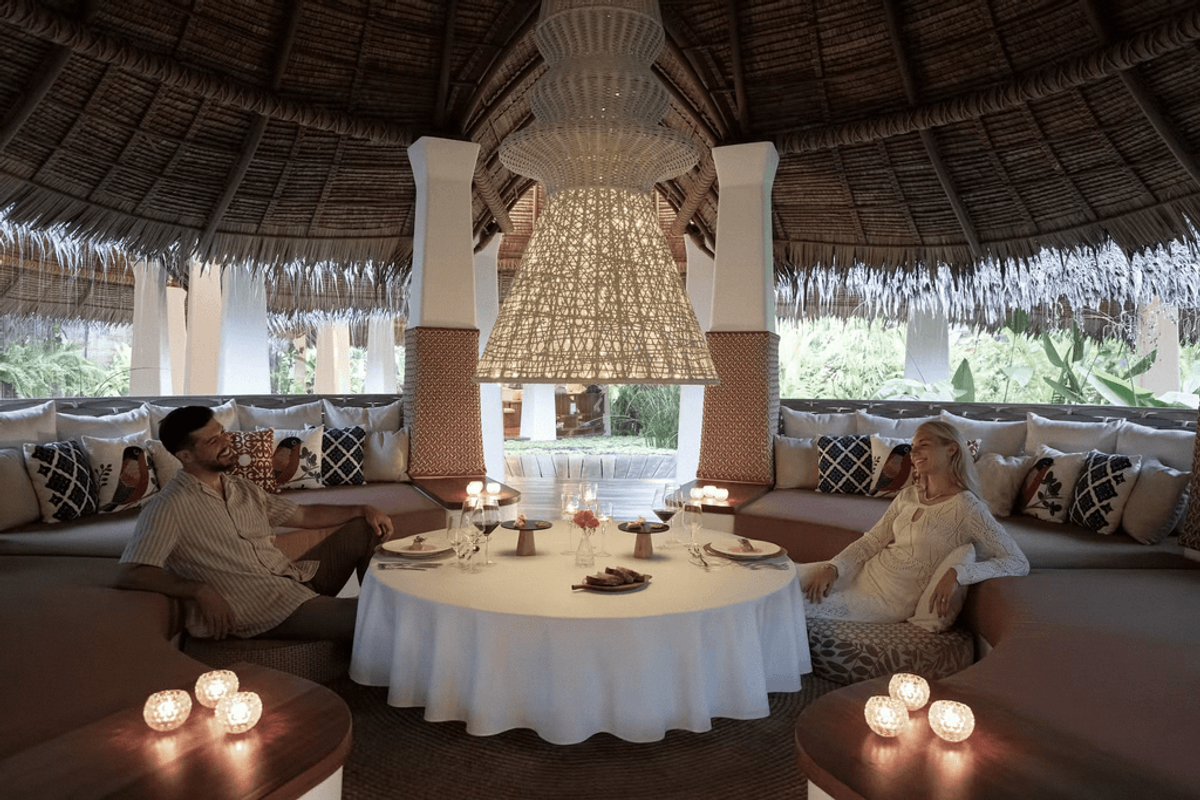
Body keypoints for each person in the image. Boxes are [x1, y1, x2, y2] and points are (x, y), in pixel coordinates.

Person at [115, 405, 395, 642]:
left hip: (292, 581)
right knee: (377, 617)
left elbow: (303, 515)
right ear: (185, 456)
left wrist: (362, 508)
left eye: (222, 433)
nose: (227, 442)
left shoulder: (240, 487)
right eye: (213, 441)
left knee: (365, 527)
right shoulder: (168, 507)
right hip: (262, 609)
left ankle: (369, 624)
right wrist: (198, 590)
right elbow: (131, 573)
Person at [802, 419, 1028, 623]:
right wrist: (834, 567)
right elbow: (873, 540)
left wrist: (958, 573)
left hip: (884, 601)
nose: (914, 452)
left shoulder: (967, 507)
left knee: (791, 608)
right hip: (860, 574)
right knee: (786, 576)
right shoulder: (908, 495)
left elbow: (1017, 561)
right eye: (912, 446)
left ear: (951, 449)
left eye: (924, 445)